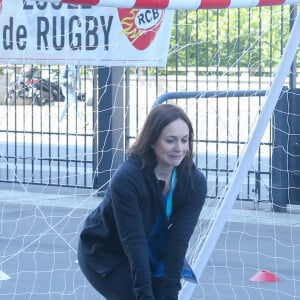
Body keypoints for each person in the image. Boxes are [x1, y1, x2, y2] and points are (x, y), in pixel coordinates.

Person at [77, 103, 207, 300]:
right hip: (107, 252)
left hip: (152, 252)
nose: (179, 148)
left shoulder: (194, 182)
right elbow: (134, 242)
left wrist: (172, 294)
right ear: (152, 140)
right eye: (170, 140)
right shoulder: (127, 178)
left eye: (185, 140)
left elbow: (178, 241)